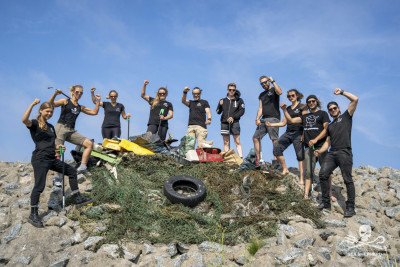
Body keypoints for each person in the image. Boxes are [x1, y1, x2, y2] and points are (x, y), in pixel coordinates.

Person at [22, 99, 93, 228]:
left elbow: (53, 145)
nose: (49, 113)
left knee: (71, 171)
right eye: (47, 111)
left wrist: (60, 149)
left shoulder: (51, 127)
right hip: (40, 159)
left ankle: (78, 198)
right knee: (40, 186)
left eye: (51, 112)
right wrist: (32, 104)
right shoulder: (34, 124)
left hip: (51, 158)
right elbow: (24, 120)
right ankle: (33, 214)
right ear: (41, 111)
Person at [314, 89, 358, 217]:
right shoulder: (330, 126)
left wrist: (342, 92)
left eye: (335, 108)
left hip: (344, 151)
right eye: (331, 109)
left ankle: (350, 208)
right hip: (332, 153)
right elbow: (328, 142)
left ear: (338, 108)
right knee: (322, 174)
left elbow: (355, 99)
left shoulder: (346, 117)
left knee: (347, 179)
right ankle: (326, 203)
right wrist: (320, 151)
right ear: (329, 111)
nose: (333, 110)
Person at [282, 94, 334, 200]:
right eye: (309, 102)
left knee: (326, 171)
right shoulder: (304, 117)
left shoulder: (323, 113)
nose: (311, 103)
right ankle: (306, 194)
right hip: (309, 147)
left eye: (313, 101)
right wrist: (284, 110)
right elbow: (291, 121)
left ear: (317, 102)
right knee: (309, 171)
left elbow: (326, 129)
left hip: (321, 146)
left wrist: (315, 139)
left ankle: (330, 193)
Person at [49, 85, 101, 184]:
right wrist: (55, 94)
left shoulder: (79, 107)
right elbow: (50, 104)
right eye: (77, 92)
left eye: (81, 93)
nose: (79, 94)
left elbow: (94, 112)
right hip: (61, 128)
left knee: (89, 144)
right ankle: (56, 177)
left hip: (71, 130)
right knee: (58, 151)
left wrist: (98, 101)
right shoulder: (65, 101)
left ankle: (83, 166)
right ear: (72, 92)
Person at [266, 89, 307, 180]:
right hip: (288, 132)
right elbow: (283, 123)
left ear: (297, 96)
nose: (290, 97)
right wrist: (271, 124)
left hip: (298, 132)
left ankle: (301, 178)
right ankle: (285, 169)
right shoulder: (288, 108)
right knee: (276, 148)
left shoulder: (302, 106)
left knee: (300, 155)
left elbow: (305, 121)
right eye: (289, 96)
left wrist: (304, 134)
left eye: (292, 95)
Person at [253, 75, 282, 165]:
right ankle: (258, 159)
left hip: (273, 118)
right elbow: (261, 108)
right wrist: (257, 118)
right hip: (263, 119)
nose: (264, 84)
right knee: (255, 137)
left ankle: (276, 161)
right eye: (262, 83)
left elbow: (280, 92)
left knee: (274, 139)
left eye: (265, 82)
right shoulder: (261, 95)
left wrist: (273, 81)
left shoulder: (273, 90)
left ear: (268, 81)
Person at [216, 83, 245, 157]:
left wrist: (233, 117)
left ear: (235, 90)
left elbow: (242, 111)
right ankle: (227, 158)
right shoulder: (222, 100)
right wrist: (220, 105)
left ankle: (241, 158)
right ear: (227, 90)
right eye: (230, 90)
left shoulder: (239, 100)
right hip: (224, 123)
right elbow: (218, 112)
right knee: (226, 142)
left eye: (233, 90)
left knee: (237, 141)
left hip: (235, 122)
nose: (231, 91)